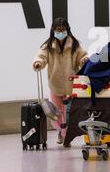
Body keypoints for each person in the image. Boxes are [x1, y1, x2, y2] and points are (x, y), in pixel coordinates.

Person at [32, 17, 88, 146]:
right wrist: (38, 62)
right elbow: (41, 56)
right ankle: (60, 131)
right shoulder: (48, 46)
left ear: (68, 30)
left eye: (63, 30)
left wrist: (84, 59)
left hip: (70, 84)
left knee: (69, 112)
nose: (61, 32)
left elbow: (83, 55)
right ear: (53, 30)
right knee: (57, 112)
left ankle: (67, 135)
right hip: (55, 83)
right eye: (58, 30)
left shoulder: (74, 45)